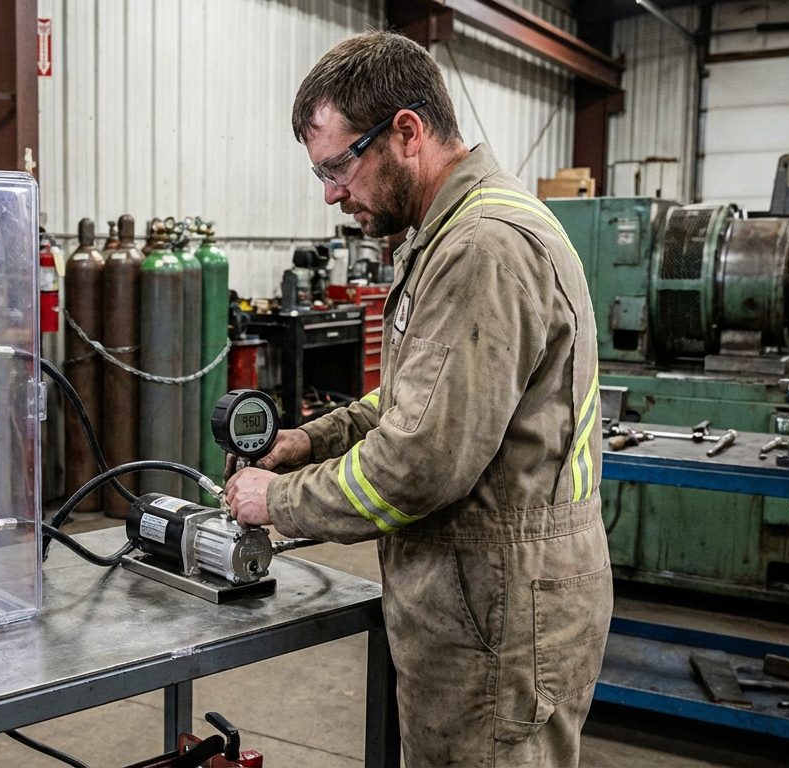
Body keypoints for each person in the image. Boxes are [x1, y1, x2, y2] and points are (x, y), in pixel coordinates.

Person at [224, 31, 612, 766]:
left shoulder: (482, 247)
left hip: (499, 611)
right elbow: (415, 400)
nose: (333, 193)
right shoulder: (449, 235)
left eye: (339, 166)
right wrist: (313, 439)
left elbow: (419, 463)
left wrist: (273, 500)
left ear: (407, 131)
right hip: (481, 598)